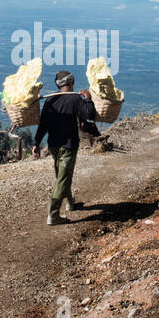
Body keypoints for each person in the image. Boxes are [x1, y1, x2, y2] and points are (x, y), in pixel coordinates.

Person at [32, 70, 97, 225]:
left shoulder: (50, 101)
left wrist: (36, 143)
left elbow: (43, 125)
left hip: (53, 145)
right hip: (69, 146)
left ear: (58, 85)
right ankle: (53, 215)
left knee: (62, 176)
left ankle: (70, 203)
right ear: (71, 82)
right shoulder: (76, 99)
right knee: (63, 178)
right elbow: (90, 115)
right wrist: (88, 99)